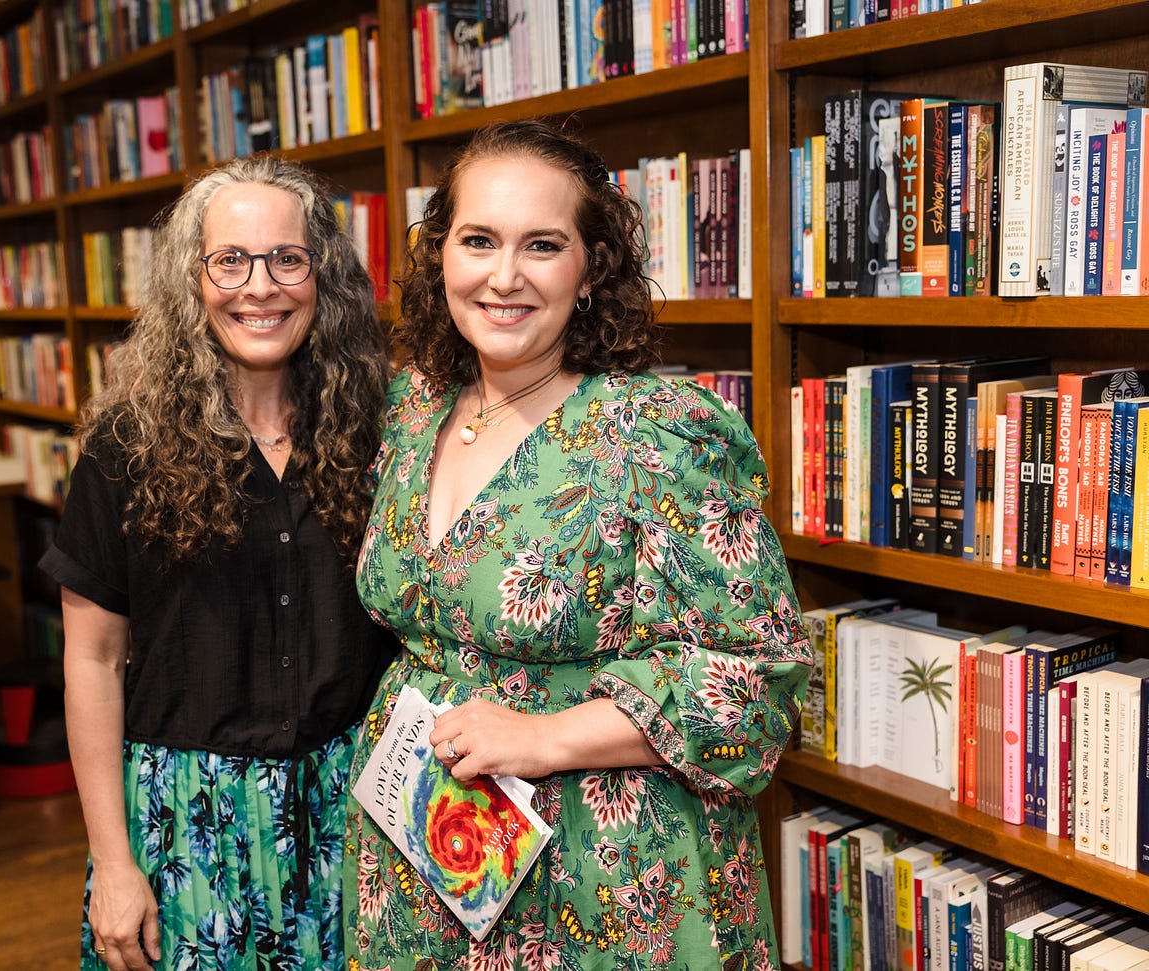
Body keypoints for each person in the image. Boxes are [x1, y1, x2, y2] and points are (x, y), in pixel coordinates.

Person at [344, 120, 811, 969]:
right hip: (423, 847)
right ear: (440, 254)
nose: (504, 276)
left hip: (599, 872)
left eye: (543, 245)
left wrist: (543, 736)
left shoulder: (657, 433)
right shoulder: (412, 409)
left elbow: (760, 681)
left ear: (591, 269)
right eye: (478, 240)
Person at [40, 156, 395, 971]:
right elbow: (91, 660)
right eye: (230, 260)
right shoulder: (124, 448)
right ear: (191, 280)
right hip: (185, 829)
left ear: (322, 275)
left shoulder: (380, 429)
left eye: (287, 259)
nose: (259, 287)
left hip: (351, 813)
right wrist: (114, 862)